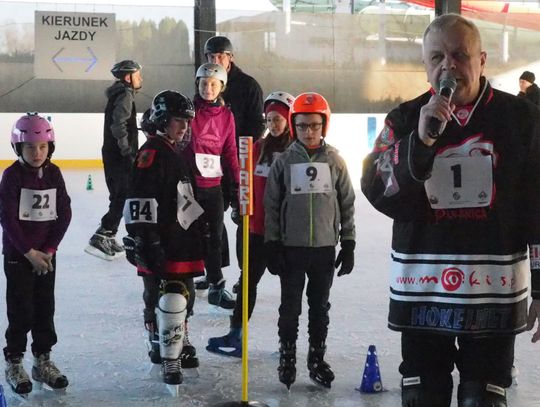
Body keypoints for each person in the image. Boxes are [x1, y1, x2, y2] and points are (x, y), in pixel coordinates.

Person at [361, 14, 540, 407]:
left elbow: (536, 207)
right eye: (438, 56)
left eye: (460, 55)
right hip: (422, 286)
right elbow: (375, 188)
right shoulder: (405, 118)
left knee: (484, 396)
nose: (449, 66)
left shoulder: (523, 118)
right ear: (426, 65)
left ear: (482, 60)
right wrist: (419, 142)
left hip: (492, 289)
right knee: (424, 394)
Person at [264, 92, 356, 389]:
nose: (308, 132)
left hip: (324, 249)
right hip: (292, 248)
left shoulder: (335, 160)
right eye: (302, 126)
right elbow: (273, 204)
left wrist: (349, 241)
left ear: (324, 125)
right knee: (290, 308)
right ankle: (287, 355)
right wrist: (273, 242)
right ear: (294, 126)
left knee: (319, 308)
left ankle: (316, 357)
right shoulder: (283, 161)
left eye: (314, 126)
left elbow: (346, 202)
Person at [123, 90, 205, 386]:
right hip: (161, 241)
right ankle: (163, 347)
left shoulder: (173, 152)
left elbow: (184, 196)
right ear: (161, 120)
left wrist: (200, 227)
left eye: (186, 121)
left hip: (181, 241)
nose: (184, 127)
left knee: (185, 295)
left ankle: (179, 336)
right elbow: (139, 199)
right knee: (162, 295)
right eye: (177, 121)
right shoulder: (153, 153)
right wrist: (147, 239)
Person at [206, 91, 295, 357]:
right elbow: (244, 183)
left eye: (278, 119)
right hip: (256, 230)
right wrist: (240, 206)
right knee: (247, 284)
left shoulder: (295, 153)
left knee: (289, 291)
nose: (273, 125)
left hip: (286, 235)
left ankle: (286, 342)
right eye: (269, 119)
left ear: (289, 120)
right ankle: (236, 334)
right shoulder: (256, 149)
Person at [0, 112, 72, 395]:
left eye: (42, 147)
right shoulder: (12, 176)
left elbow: (63, 213)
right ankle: (14, 361)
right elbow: (7, 219)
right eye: (30, 147)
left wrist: (49, 250)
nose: (37, 152)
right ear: (19, 148)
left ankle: (43, 359)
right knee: (21, 310)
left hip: (46, 256)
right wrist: (29, 252)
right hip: (19, 256)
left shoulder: (53, 173)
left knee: (45, 309)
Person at [195, 35, 265, 291]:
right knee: (209, 222)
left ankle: (244, 275)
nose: (216, 60)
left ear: (231, 57)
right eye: (211, 57)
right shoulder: (205, 80)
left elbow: (258, 125)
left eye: (220, 56)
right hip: (211, 167)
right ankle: (214, 272)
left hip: (240, 162)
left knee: (241, 221)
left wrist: (241, 154)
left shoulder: (248, 86)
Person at [184, 63, 239, 310]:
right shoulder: (190, 111)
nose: (208, 88)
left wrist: (237, 184)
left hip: (213, 185)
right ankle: (180, 284)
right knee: (186, 235)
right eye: (203, 84)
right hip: (188, 185)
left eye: (213, 84)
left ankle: (216, 284)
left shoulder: (227, 116)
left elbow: (230, 152)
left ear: (221, 87)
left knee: (215, 237)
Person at [86, 60, 143, 261]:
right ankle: (103, 234)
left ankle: (108, 235)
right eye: (138, 75)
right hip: (120, 155)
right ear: (128, 77)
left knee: (119, 195)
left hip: (112, 153)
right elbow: (118, 125)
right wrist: (127, 150)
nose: (141, 79)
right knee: (123, 195)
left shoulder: (119, 94)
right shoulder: (125, 96)